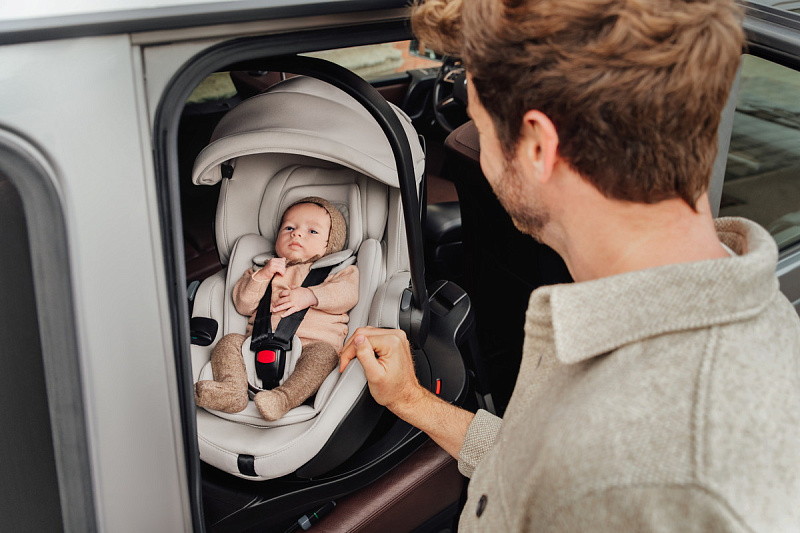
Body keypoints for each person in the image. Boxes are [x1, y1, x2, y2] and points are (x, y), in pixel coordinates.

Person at [339, 0, 800, 530]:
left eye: (479, 126)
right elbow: (543, 474)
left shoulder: (673, 487)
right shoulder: (682, 316)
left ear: (538, 147)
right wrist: (413, 400)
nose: (479, 151)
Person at [196, 196, 358, 421]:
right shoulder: (261, 269)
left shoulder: (339, 270)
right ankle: (233, 389)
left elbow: (346, 295)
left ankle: (283, 399)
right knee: (228, 342)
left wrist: (311, 295)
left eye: (312, 231)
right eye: (289, 228)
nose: (296, 234)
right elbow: (243, 304)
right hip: (255, 347)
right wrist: (263, 275)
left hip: (309, 348)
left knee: (325, 355)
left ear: (330, 243)